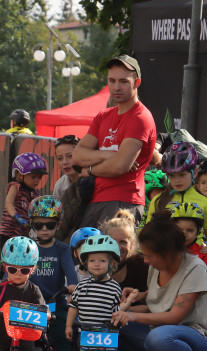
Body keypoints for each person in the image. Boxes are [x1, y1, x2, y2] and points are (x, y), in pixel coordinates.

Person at [113, 217, 207, 351]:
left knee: (159, 337)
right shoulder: (157, 267)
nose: (145, 260)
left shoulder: (194, 268)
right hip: (165, 332)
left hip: (198, 339)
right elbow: (159, 302)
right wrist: (142, 295)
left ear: (168, 252)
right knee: (112, 323)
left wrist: (131, 315)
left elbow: (174, 316)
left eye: (149, 255)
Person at [73, 55, 157, 226]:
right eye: (112, 81)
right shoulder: (103, 115)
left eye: (123, 81)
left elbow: (119, 167)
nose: (116, 87)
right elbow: (77, 156)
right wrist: (110, 154)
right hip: (94, 197)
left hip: (124, 201)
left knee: (113, 253)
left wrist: (88, 169)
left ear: (137, 83)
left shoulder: (140, 117)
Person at [27, 195, 78, 351]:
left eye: (50, 225)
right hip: (32, 302)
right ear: (31, 225)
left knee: (62, 332)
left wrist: (72, 285)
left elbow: (71, 274)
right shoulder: (28, 248)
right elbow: (16, 268)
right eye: (38, 225)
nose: (44, 230)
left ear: (59, 225)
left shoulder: (63, 250)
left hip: (56, 301)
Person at [143, 143, 207, 247]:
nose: (177, 180)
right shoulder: (158, 200)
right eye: (172, 176)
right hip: (165, 257)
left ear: (195, 172)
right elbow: (149, 234)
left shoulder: (205, 202)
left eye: (182, 175)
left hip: (194, 258)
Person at [66, 235, 125, 341]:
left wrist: (117, 325)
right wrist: (68, 326)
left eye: (102, 261)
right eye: (92, 260)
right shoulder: (81, 285)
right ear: (86, 263)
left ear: (111, 263)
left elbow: (116, 310)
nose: (96, 264)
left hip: (106, 336)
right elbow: (74, 307)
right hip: (85, 334)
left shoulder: (114, 287)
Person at [0, 152, 47, 244]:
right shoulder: (15, 187)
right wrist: (15, 216)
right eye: (33, 177)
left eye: (39, 177)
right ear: (20, 175)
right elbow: (8, 203)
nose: (37, 181)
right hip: (9, 231)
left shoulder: (36, 194)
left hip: (24, 234)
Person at [101, 211, 149, 291]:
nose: (117, 247)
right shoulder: (95, 262)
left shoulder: (140, 265)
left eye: (123, 242)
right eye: (112, 242)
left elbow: (149, 302)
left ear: (132, 243)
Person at [53, 134, 87, 241]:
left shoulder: (92, 180)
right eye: (60, 158)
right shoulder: (60, 185)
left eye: (70, 156)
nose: (65, 162)